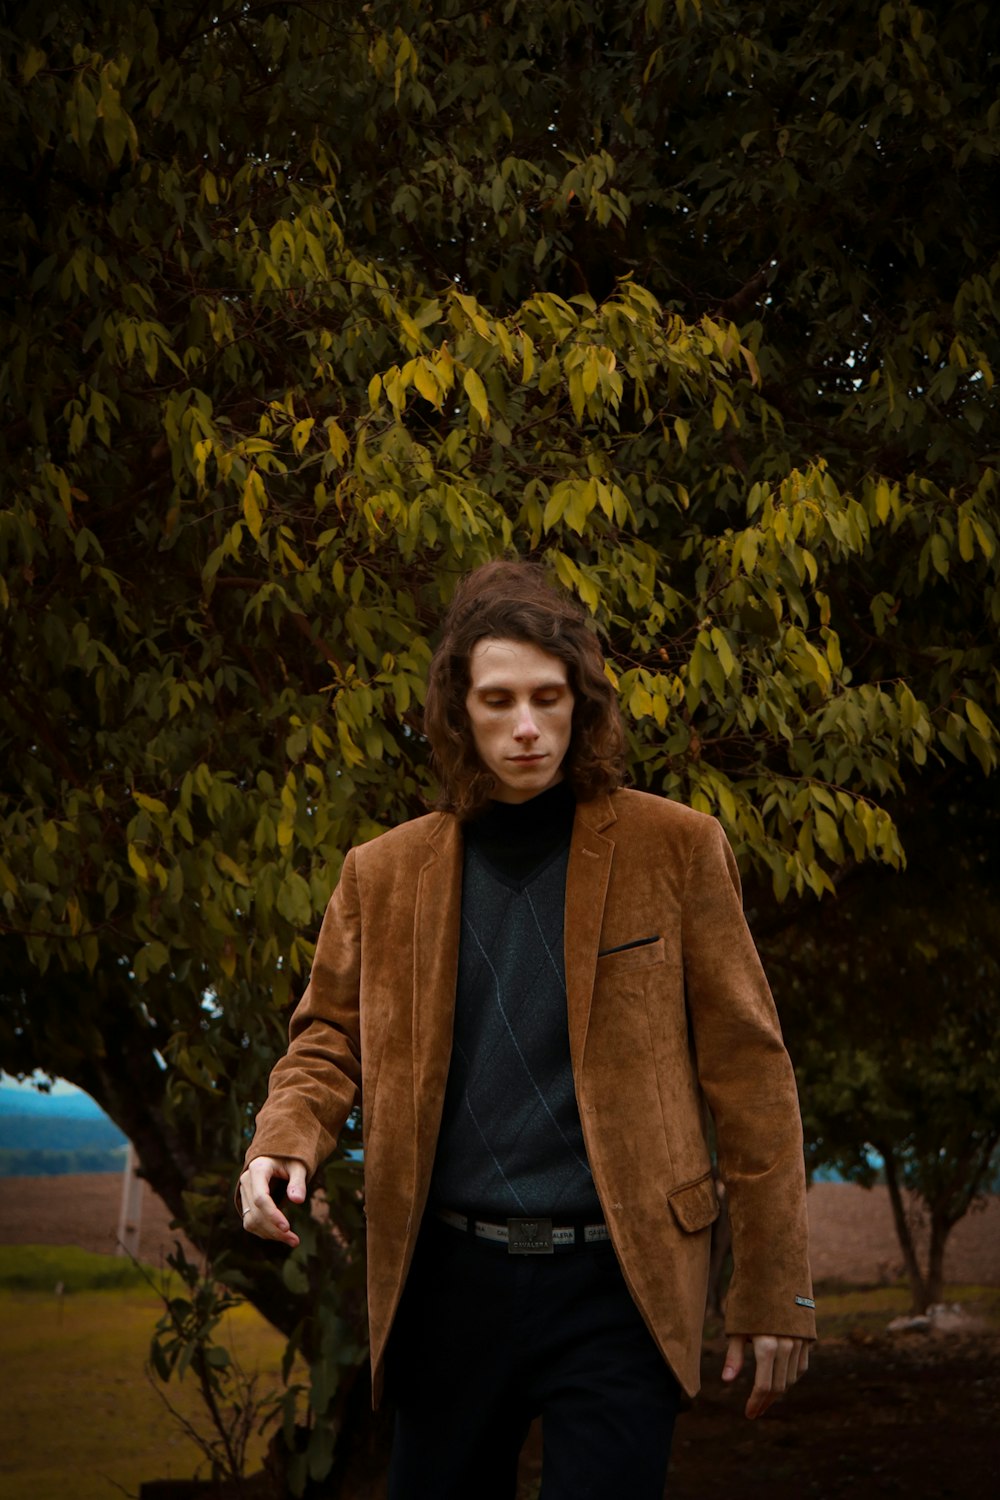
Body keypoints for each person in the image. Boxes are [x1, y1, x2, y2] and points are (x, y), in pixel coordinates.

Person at [238, 559, 815, 1499]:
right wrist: (282, 1141)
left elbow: (751, 1072)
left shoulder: (678, 847)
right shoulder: (380, 874)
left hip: (621, 1283)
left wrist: (775, 1287)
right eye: (498, 699)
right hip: (446, 1284)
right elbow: (328, 1039)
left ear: (582, 704)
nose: (526, 727)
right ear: (458, 711)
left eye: (549, 698)